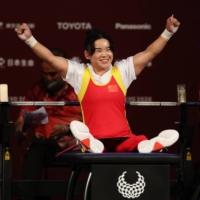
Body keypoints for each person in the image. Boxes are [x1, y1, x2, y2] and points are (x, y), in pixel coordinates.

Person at [15, 15, 180, 154]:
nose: (106, 54)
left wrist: (168, 32)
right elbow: (51, 58)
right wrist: (29, 39)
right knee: (95, 144)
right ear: (87, 54)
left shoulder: (122, 71)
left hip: (121, 136)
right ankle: (89, 141)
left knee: (132, 142)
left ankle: (146, 145)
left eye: (108, 49)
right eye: (99, 50)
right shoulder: (79, 73)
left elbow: (149, 53)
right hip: (95, 137)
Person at [14, 47, 82, 200]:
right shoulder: (37, 89)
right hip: (48, 145)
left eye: (53, 74)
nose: (48, 79)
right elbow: (21, 118)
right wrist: (20, 128)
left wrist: (67, 128)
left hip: (78, 144)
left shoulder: (80, 88)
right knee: (35, 149)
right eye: (44, 74)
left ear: (64, 70)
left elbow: (94, 121)